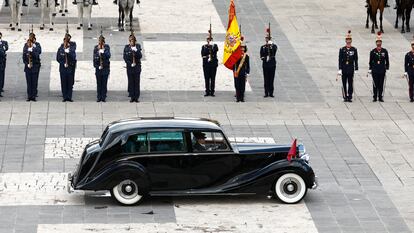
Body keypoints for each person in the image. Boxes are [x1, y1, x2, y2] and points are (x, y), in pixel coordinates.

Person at [338, 30, 358, 102]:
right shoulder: (342, 49)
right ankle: (345, 96)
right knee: (344, 83)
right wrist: (340, 69)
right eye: (347, 40)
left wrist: (356, 68)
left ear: (351, 41)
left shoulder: (354, 49)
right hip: (344, 68)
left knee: (350, 83)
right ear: (345, 41)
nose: (348, 41)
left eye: (349, 40)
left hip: (350, 68)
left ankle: (349, 96)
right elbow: (340, 59)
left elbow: (356, 59)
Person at [369, 32, 389, 102]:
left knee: (381, 83)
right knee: (375, 83)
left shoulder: (384, 51)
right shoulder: (373, 51)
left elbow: (387, 60)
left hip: (382, 69)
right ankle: (375, 96)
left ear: (381, 43)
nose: (379, 43)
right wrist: (370, 68)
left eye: (380, 42)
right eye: (377, 42)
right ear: (376, 43)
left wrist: (387, 67)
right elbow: (370, 61)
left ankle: (380, 96)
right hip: (375, 69)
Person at [56, 33, 77, 102]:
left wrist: (69, 51)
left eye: (67, 41)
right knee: (63, 83)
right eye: (65, 41)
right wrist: (63, 63)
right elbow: (58, 58)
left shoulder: (72, 47)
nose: (65, 42)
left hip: (70, 68)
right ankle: (65, 96)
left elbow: (73, 57)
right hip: (63, 68)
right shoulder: (60, 48)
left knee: (70, 83)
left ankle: (69, 96)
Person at [123, 32, 142, 103]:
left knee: (136, 82)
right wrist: (130, 64)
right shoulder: (126, 47)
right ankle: (132, 96)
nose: (131, 42)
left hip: (137, 67)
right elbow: (125, 57)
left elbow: (140, 56)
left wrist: (136, 50)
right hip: (130, 68)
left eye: (132, 41)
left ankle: (136, 97)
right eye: (130, 41)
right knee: (131, 82)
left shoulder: (138, 46)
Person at [260, 26, 277, 98]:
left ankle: (271, 92)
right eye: (266, 39)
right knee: (266, 79)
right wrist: (265, 58)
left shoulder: (274, 46)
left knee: (271, 79)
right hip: (266, 65)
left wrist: (271, 46)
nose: (267, 40)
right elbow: (261, 55)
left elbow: (274, 52)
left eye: (269, 39)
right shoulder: (263, 47)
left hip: (272, 65)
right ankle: (266, 92)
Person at [23, 35, 41, 101]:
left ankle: (33, 96)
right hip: (28, 67)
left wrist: (32, 50)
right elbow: (24, 56)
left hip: (35, 67)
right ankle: (29, 96)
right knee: (29, 82)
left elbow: (37, 55)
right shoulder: (26, 46)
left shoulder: (37, 46)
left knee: (34, 82)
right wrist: (26, 63)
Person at [93, 33, 111, 102]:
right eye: (99, 42)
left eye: (102, 42)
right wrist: (97, 66)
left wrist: (103, 51)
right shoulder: (96, 48)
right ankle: (99, 96)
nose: (100, 43)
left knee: (104, 83)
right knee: (99, 84)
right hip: (98, 69)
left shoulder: (107, 47)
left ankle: (103, 97)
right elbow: (94, 59)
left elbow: (108, 56)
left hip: (105, 69)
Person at [201, 28, 218, 97]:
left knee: (213, 78)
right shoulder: (204, 46)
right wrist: (208, 52)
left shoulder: (215, 46)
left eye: (210, 39)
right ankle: (207, 91)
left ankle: (212, 91)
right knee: (207, 78)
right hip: (206, 65)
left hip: (213, 65)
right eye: (208, 39)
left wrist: (212, 46)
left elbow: (215, 50)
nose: (209, 40)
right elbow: (203, 54)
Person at [0, 32, 9, 98]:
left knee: (2, 74)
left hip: (2, 61)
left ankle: (1, 87)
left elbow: (6, 48)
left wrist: (3, 48)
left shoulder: (4, 42)